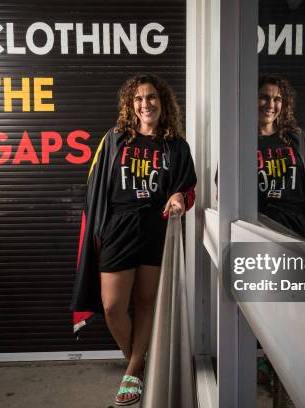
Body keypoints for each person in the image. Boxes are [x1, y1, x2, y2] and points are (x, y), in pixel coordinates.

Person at [70, 74, 196, 406]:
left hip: (156, 227)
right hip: (119, 228)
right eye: (138, 99)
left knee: (146, 303)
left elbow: (186, 187)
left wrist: (179, 197)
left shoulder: (177, 145)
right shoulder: (115, 139)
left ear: (162, 102)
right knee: (112, 307)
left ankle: (133, 371)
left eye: (151, 97)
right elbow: (96, 189)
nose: (145, 104)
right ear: (131, 104)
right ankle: (136, 363)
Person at [257, 75, 305, 242]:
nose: (270, 105)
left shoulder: (298, 139)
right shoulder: (241, 141)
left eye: (277, 99)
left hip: (298, 232)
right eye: (264, 98)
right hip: (260, 232)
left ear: (284, 105)